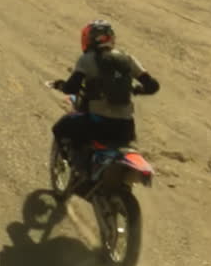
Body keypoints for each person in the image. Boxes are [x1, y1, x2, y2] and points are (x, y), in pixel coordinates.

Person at [51, 19, 160, 173]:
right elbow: (153, 86)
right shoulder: (127, 58)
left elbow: (72, 87)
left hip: (98, 124)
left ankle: (77, 169)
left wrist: (60, 85)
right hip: (126, 127)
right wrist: (136, 90)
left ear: (89, 39)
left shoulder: (87, 59)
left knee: (59, 128)